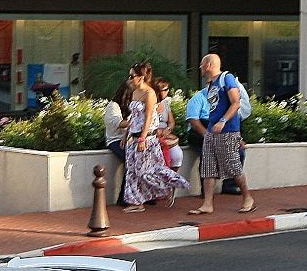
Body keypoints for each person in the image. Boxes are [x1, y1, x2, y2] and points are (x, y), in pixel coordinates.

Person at [191, 53, 253, 215]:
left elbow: (236, 103)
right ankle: (207, 204)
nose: (200, 67)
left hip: (227, 130)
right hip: (212, 130)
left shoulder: (227, 78)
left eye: (202, 64)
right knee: (208, 168)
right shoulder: (210, 84)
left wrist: (223, 121)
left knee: (233, 165)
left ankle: (248, 198)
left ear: (209, 65)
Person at [119, 62, 186, 213]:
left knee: (145, 171)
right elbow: (133, 117)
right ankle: (135, 202)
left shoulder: (150, 94)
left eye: (132, 76)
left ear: (141, 77)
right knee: (132, 171)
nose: (129, 79)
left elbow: (149, 117)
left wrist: (143, 138)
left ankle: (168, 186)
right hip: (133, 137)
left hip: (146, 139)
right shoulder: (135, 92)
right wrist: (126, 134)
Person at [101, 94, 127, 202]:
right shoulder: (113, 106)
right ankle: (124, 196)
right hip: (115, 140)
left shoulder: (132, 105)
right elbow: (119, 123)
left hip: (128, 139)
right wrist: (138, 119)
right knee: (130, 159)